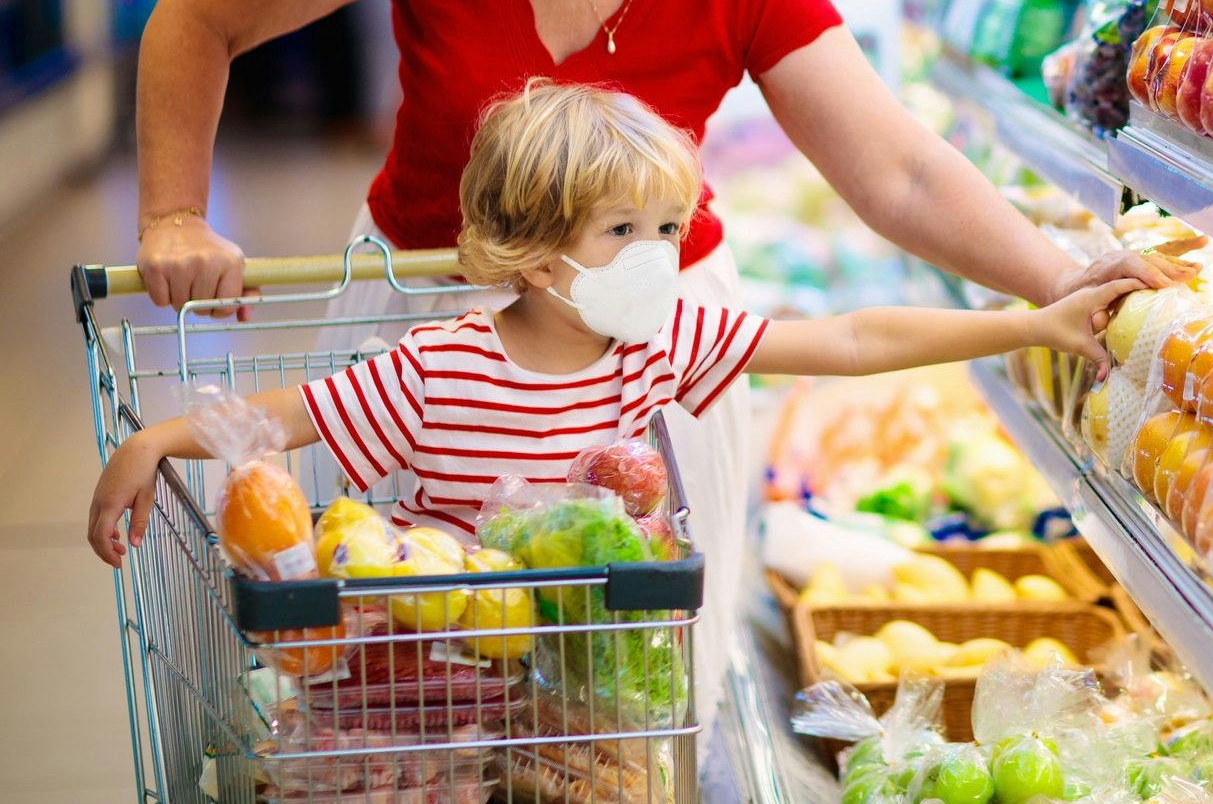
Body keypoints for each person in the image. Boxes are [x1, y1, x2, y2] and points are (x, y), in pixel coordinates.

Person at [124, 0, 1178, 715]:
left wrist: (1055, 279)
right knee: (407, 667)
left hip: (642, 350)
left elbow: (899, 171)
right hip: (426, 335)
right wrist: (171, 213)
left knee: (623, 698)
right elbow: (201, 15)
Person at [90, 80, 1139, 561]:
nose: (658, 255)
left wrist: (1034, 321)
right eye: (623, 229)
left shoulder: (662, 340)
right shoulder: (436, 367)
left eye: (671, 226)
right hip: (448, 674)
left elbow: (855, 340)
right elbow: (289, 416)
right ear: (538, 257)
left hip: (600, 684)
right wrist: (154, 438)